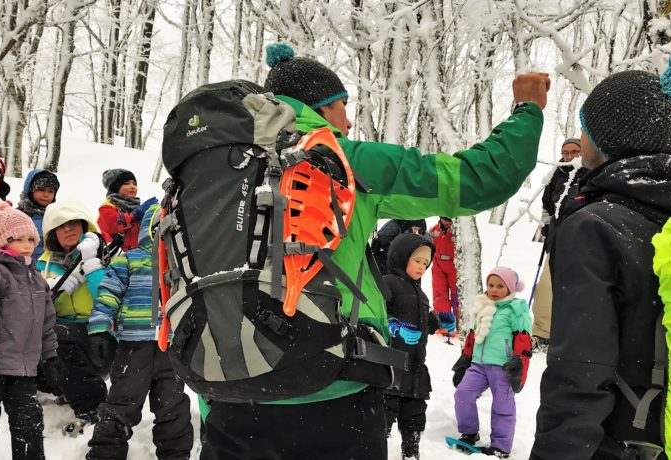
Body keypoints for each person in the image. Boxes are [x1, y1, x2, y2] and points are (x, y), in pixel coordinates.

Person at [195, 42, 547, 460]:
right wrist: (528, 110)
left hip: (226, 398)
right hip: (331, 393)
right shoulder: (343, 161)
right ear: (322, 109)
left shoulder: (209, 172)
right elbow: (480, 179)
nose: (348, 117)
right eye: (343, 105)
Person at [531, 58, 671, 459]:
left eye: (585, 129)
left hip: (620, 442)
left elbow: (579, 373)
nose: (580, 139)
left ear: (608, 140)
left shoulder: (596, 227)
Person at [85, 197, 194, 460]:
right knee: (122, 403)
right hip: (134, 347)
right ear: (149, 229)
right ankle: (105, 454)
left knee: (174, 407)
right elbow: (108, 295)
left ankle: (176, 455)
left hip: (170, 347)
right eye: (160, 229)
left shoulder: (182, 267)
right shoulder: (130, 260)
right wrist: (99, 330)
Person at [0, 199, 66, 460]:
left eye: (32, 239)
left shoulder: (37, 280)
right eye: (20, 239)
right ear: (0, 241)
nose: (28, 245)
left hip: (24, 369)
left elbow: (46, 324)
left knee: (29, 426)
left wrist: (50, 357)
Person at [39, 198, 109, 435]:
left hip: (99, 334)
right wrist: (49, 289)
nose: (68, 229)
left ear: (85, 227)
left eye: (74, 224)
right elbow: (33, 310)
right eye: (61, 226)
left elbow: (107, 298)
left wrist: (92, 266)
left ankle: (92, 407)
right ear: (52, 233)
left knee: (60, 339)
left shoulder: (107, 257)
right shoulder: (43, 265)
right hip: (61, 336)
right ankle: (65, 389)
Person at [381, 233, 454, 460]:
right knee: (383, 415)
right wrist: (396, 327)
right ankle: (375, 450)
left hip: (415, 369)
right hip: (390, 369)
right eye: (417, 260)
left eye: (426, 263)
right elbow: (377, 316)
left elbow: (421, 326)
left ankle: (411, 453)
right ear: (401, 257)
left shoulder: (420, 294)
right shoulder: (387, 283)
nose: (422, 267)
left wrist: (437, 320)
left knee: (414, 417)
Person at [453, 267, 531, 458]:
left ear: (511, 288)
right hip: (478, 365)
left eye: (499, 286)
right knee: (463, 394)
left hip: (504, 367)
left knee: (502, 406)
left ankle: (501, 445)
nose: (494, 290)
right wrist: (465, 357)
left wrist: (520, 364)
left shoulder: (515, 311)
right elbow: (473, 336)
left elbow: (523, 342)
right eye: (490, 285)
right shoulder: (482, 306)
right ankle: (469, 432)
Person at [530, 138, 587, 351]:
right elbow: (546, 205)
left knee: (578, 291)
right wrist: (546, 227)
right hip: (557, 241)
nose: (570, 156)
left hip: (584, 244)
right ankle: (542, 334)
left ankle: (574, 336)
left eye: (574, 152)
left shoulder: (591, 173)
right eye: (566, 152)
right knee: (545, 288)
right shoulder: (557, 174)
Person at [97, 169, 152, 252]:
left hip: (141, 256)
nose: (132, 186)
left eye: (134, 184)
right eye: (126, 184)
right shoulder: (107, 207)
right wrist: (134, 216)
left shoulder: (138, 208)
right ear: (116, 188)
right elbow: (113, 224)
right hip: (117, 258)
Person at [17, 168, 60, 260]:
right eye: (41, 190)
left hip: (51, 268)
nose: (46, 195)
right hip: (23, 267)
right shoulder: (17, 216)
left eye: (51, 191)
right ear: (30, 190)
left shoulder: (56, 217)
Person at [429, 216, 457, 330]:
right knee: (439, 294)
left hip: (454, 266)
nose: (445, 222)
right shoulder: (434, 230)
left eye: (448, 219)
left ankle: (458, 325)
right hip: (438, 267)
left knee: (457, 296)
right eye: (443, 218)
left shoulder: (457, 231)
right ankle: (442, 323)